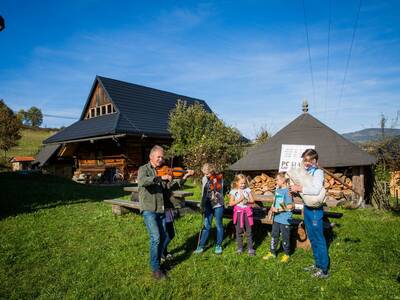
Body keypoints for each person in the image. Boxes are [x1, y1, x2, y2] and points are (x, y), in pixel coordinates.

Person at [138, 145, 193, 280]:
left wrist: (184, 176)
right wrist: (159, 178)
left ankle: (159, 262)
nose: (161, 159)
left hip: (161, 208)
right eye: (159, 157)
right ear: (151, 157)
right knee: (156, 238)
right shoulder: (143, 169)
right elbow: (143, 182)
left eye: (162, 157)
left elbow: (169, 187)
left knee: (163, 237)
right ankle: (156, 268)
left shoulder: (163, 170)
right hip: (149, 209)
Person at [290, 149, 330, 279]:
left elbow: (316, 190)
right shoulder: (305, 172)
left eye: (309, 160)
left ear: (315, 161)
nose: (306, 163)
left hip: (315, 210)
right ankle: (317, 264)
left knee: (318, 238)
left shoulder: (318, 173)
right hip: (307, 208)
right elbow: (305, 192)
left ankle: (324, 270)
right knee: (312, 237)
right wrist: (295, 191)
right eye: (304, 160)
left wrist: (300, 188)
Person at [194, 163, 224, 255]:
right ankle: (201, 245)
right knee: (206, 225)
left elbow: (220, 191)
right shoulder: (204, 179)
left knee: (219, 225)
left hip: (218, 204)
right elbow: (203, 193)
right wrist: (202, 205)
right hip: (207, 204)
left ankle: (218, 245)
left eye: (207, 174)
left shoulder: (219, 178)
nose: (205, 176)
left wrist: (216, 195)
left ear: (212, 171)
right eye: (204, 173)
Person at [263, 172, 293, 262]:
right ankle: (272, 252)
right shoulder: (277, 190)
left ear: (283, 180)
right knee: (274, 235)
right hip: (276, 218)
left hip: (285, 219)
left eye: (277, 179)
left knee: (285, 237)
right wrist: (271, 209)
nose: (276, 181)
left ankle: (286, 254)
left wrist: (278, 210)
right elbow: (275, 201)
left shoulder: (287, 191)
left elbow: (290, 206)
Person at [229, 174, 255, 256]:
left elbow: (252, 201)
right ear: (236, 183)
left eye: (244, 183)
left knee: (249, 231)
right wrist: (239, 200)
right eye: (241, 183)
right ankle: (240, 248)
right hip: (238, 213)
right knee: (239, 231)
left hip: (247, 212)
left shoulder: (247, 190)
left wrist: (247, 201)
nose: (243, 185)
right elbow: (231, 203)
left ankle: (250, 249)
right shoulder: (234, 191)